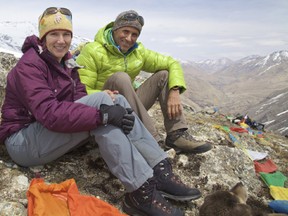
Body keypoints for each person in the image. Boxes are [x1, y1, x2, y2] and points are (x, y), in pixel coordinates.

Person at [0, 7, 202, 216]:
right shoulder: (30, 65)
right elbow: (50, 114)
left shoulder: (67, 62)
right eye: (54, 34)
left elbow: (79, 100)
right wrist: (103, 115)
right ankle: (143, 190)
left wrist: (112, 114)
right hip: (23, 142)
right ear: (43, 37)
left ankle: (157, 173)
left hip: (47, 136)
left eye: (66, 34)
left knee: (115, 102)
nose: (61, 40)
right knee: (104, 108)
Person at [75, 10, 212, 154]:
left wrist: (175, 90)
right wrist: (103, 94)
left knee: (164, 75)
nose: (129, 38)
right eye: (125, 31)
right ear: (115, 29)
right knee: (120, 77)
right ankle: (152, 140)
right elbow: (80, 92)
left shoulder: (138, 52)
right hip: (103, 110)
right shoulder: (92, 51)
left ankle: (176, 134)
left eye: (134, 34)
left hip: (127, 108)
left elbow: (172, 63)